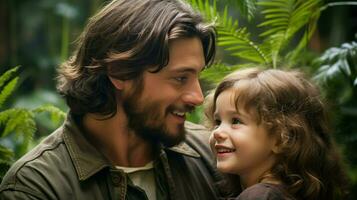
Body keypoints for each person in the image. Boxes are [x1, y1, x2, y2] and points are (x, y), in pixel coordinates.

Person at [0, 0, 230, 199]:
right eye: (180, 78)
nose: (198, 97)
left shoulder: (215, 154)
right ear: (120, 72)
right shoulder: (37, 186)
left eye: (197, 77)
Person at [205, 68, 350, 200]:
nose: (218, 132)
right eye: (217, 121)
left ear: (282, 139)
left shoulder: (260, 196)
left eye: (236, 121)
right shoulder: (283, 192)